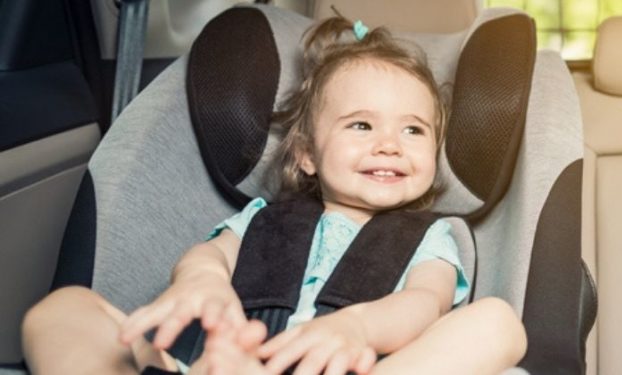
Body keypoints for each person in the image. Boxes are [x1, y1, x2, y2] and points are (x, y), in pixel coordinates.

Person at [22, 13, 527, 375]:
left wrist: (358, 330)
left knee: (498, 325)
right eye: (361, 125)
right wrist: (202, 284)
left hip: (356, 364)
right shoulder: (264, 218)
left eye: (414, 131)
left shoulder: (431, 236)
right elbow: (210, 254)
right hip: (227, 356)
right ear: (306, 154)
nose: (390, 145)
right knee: (61, 311)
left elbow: (426, 302)